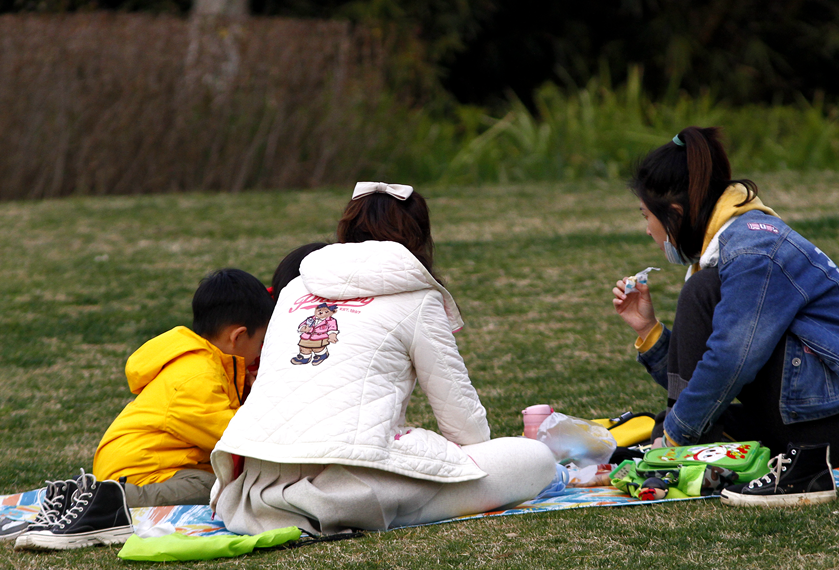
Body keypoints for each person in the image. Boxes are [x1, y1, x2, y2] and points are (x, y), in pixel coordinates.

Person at [208, 182, 557, 535]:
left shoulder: (295, 288)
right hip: (338, 492)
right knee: (536, 460)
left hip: (251, 491)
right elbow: (463, 425)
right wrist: (475, 464)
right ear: (418, 238)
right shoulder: (417, 297)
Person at [613, 126, 839, 506]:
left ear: (676, 214)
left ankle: (683, 451)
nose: (647, 230)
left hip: (828, 418)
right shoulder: (738, 241)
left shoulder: (753, 252)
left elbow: (730, 360)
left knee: (701, 296)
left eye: (646, 216)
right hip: (813, 406)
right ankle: (690, 446)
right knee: (698, 418)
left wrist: (673, 437)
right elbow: (710, 369)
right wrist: (649, 331)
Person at [16, 268, 274, 550]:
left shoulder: (205, 364)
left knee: (216, 483)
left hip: (150, 465)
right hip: (142, 472)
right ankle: (107, 500)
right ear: (237, 337)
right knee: (217, 490)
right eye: (261, 342)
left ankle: (96, 495)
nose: (262, 351)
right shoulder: (197, 377)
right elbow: (236, 439)